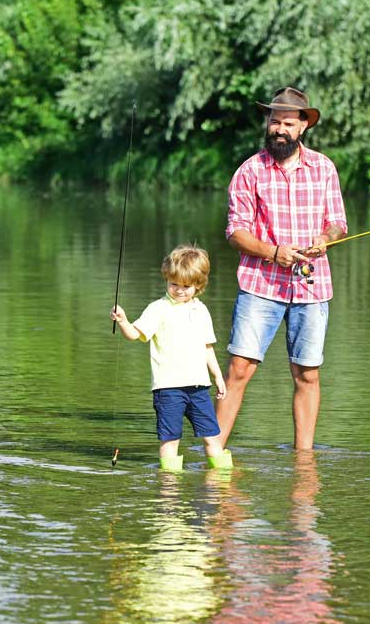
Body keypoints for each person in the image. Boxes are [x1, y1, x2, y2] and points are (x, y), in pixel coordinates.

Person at [216, 86, 348, 450]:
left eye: (288, 123)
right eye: (274, 121)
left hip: (312, 287)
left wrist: (325, 239)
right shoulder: (249, 171)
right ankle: (213, 450)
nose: (279, 129)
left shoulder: (324, 168)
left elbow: (338, 223)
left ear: (303, 126)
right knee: (239, 370)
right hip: (260, 285)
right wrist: (274, 252)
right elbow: (235, 232)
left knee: (307, 373)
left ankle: (303, 459)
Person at [110, 244, 232, 472]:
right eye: (174, 283)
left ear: (198, 285)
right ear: (167, 278)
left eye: (186, 286)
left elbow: (207, 347)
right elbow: (135, 334)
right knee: (170, 440)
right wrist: (124, 321)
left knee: (212, 437)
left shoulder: (201, 310)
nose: (179, 290)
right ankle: (169, 487)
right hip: (168, 389)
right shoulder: (158, 309)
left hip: (199, 387)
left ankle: (222, 482)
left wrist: (218, 377)